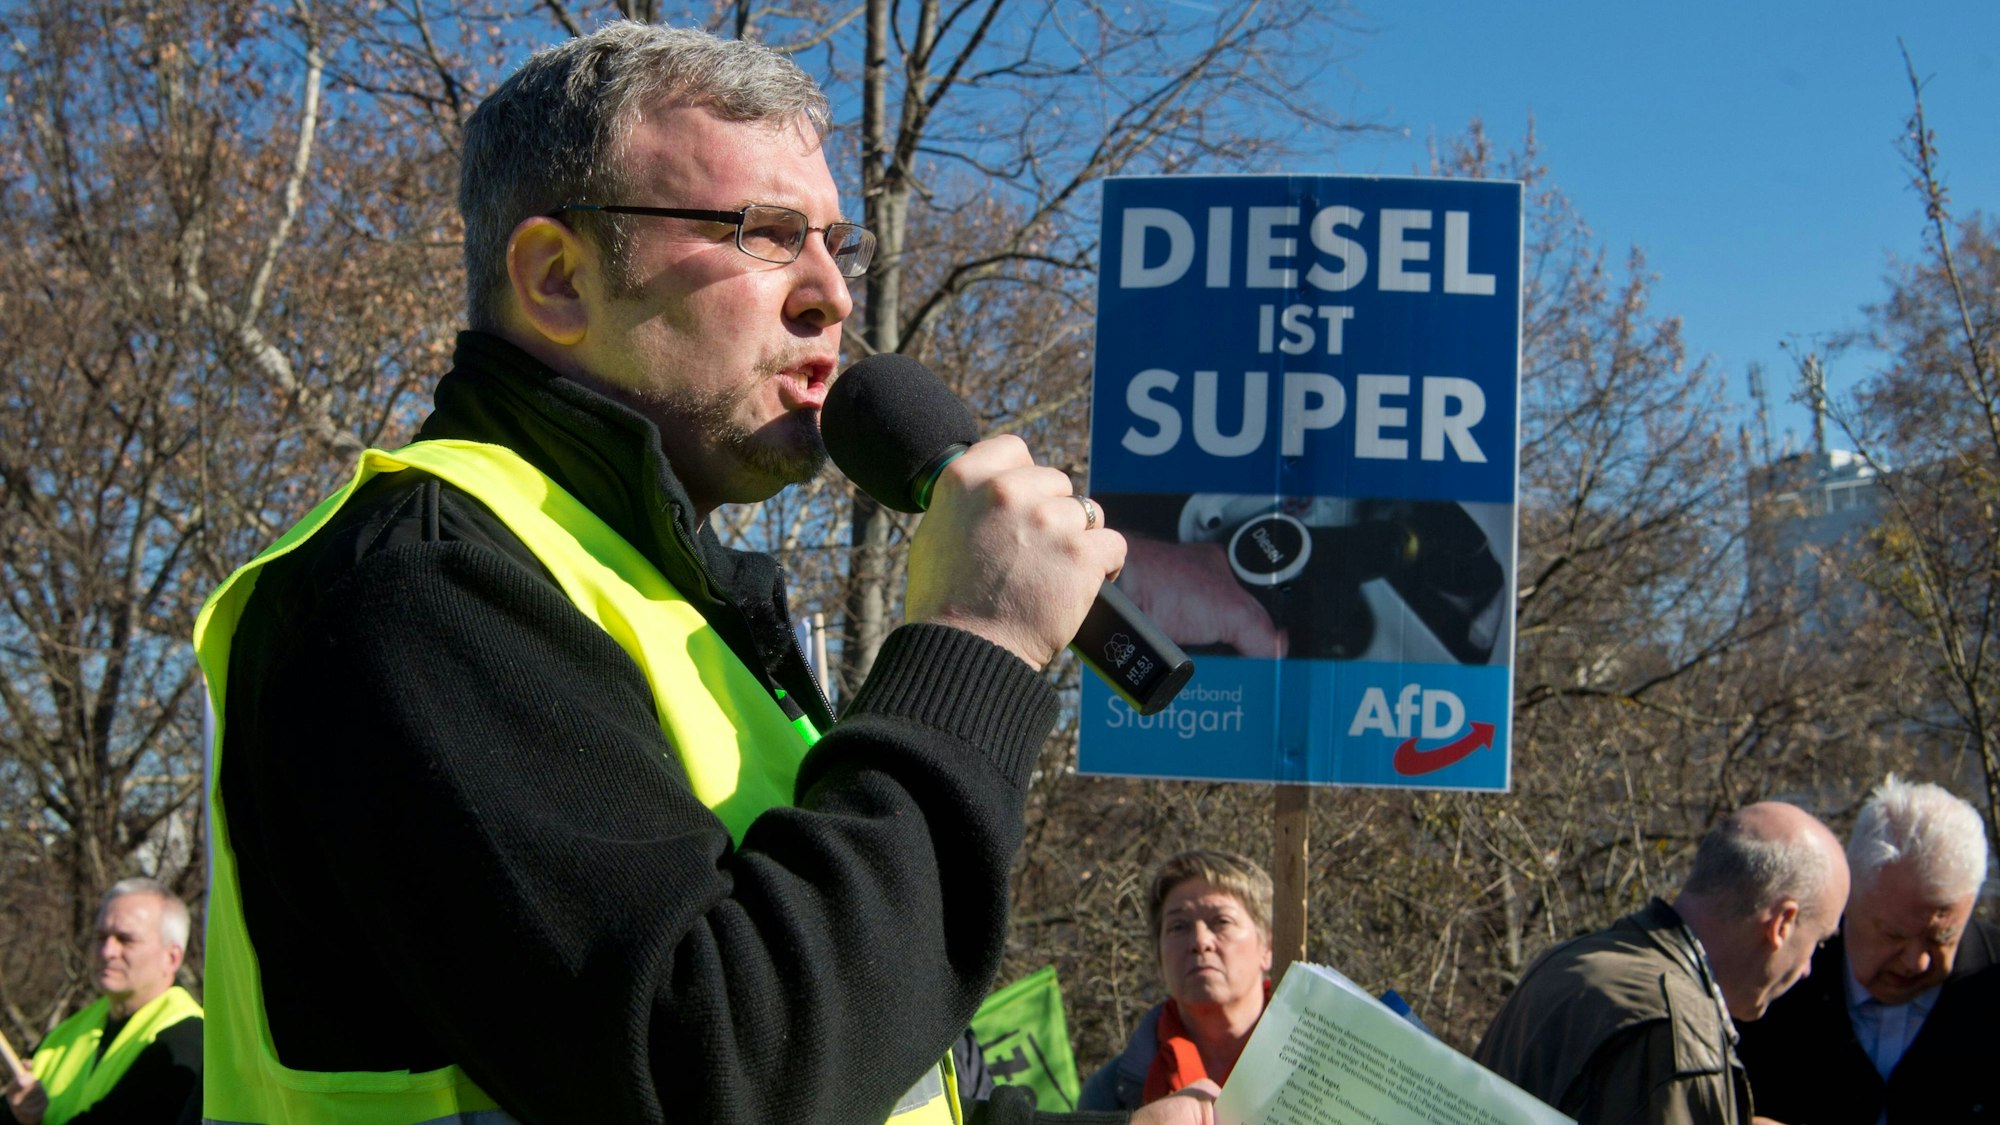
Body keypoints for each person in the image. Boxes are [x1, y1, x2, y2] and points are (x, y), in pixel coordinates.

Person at [192, 20, 1216, 1125]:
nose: (829, 292)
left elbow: (871, 1058)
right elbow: (719, 1064)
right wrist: (974, 646)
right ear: (556, 279)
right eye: (767, 234)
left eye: (839, 242)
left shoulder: (666, 596)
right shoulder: (411, 585)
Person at [1473, 802, 1849, 1125]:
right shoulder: (1675, 1028)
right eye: (1818, 941)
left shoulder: (1571, 960)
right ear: (1782, 924)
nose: (1807, 969)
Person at [1735, 776, 1998, 1124]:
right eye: (1893, 935)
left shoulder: (1991, 982)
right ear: (1847, 895)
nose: (1915, 961)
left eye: (1943, 937)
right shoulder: (1769, 976)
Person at [1079, 851, 1274, 1111]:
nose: (1200, 941)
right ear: (1159, 957)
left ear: (1267, 948)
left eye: (1221, 922)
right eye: (1178, 927)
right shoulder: (1109, 1094)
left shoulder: (1319, 1066)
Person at [2, 879, 202, 1125]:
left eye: (126, 939)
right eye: (100, 937)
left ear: (172, 958)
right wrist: (15, 1113)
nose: (107, 951)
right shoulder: (67, 1033)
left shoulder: (187, 1042)